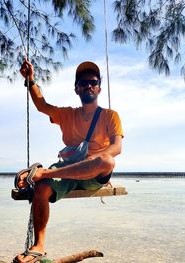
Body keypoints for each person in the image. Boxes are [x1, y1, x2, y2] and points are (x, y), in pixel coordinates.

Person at [13, 59, 124, 263]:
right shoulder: (68, 115)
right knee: (41, 189)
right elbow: (41, 105)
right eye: (83, 83)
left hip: (93, 172)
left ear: (99, 88)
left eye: (93, 82)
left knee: (107, 161)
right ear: (76, 89)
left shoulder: (110, 116)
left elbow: (117, 147)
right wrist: (30, 80)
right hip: (66, 169)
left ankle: (45, 173)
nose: (88, 85)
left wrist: (96, 157)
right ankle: (38, 246)